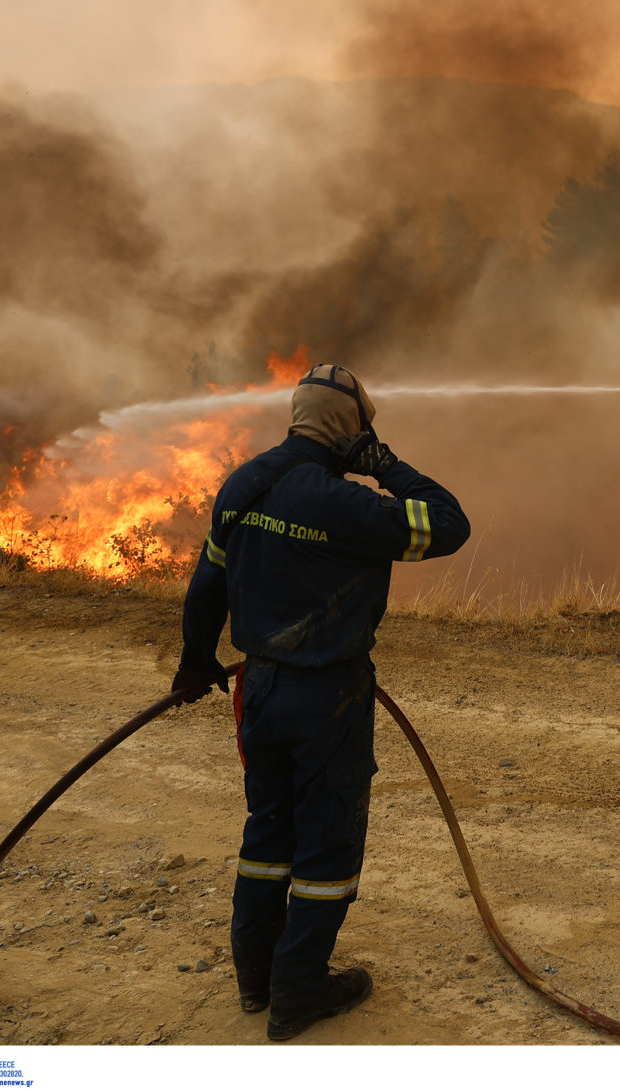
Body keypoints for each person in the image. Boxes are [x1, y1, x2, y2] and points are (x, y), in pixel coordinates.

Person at [172, 363, 470, 1041]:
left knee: (268, 832)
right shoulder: (350, 507)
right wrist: (386, 465)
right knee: (327, 848)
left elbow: (205, 586)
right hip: (327, 695)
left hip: (261, 689)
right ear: (351, 432)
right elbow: (449, 524)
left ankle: (256, 981)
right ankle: (299, 995)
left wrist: (194, 660)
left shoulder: (243, 484)